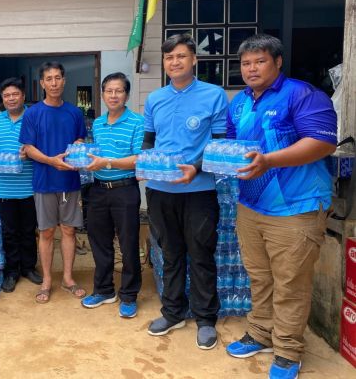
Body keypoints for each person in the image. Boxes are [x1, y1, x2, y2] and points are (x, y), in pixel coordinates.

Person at [224, 34, 337, 379]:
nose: (251, 68)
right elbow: (233, 147)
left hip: (296, 207)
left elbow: (322, 143)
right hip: (251, 204)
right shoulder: (240, 102)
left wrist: (269, 160)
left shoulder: (302, 95)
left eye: (260, 61)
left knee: (291, 283)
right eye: (246, 63)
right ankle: (260, 333)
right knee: (259, 276)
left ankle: (287, 351)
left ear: (277, 62)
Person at [143, 34, 228, 350]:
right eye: (169, 57)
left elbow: (219, 145)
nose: (174, 62)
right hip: (159, 190)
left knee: (201, 253)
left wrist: (196, 167)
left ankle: (205, 319)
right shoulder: (155, 98)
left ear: (194, 59)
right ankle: (173, 312)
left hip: (198, 189)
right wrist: (146, 164)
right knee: (170, 253)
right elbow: (149, 141)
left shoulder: (213, 95)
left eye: (180, 56)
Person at [19, 61, 87, 303]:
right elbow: (28, 147)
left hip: (70, 180)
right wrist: (51, 161)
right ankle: (47, 280)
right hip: (44, 181)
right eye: (49, 79)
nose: (54, 83)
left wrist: (78, 145)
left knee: (69, 230)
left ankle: (68, 278)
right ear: (42, 83)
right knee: (46, 232)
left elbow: (80, 138)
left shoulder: (74, 112)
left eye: (58, 78)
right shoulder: (33, 113)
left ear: (64, 81)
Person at [81, 73, 144, 318]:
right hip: (98, 190)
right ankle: (104, 290)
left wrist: (106, 163)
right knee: (99, 242)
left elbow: (138, 159)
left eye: (119, 91)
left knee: (128, 244)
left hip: (124, 189)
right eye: (109, 91)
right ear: (103, 94)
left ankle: (129, 295)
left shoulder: (137, 122)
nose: (113, 95)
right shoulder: (98, 123)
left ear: (126, 95)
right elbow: (95, 155)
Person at [0, 77, 42, 293]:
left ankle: (29, 267)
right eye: (7, 95)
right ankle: (12, 271)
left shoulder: (34, 117)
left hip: (30, 186)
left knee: (29, 230)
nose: (11, 98)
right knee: (9, 231)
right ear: (2, 98)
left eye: (15, 94)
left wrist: (30, 153)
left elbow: (44, 148)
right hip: (4, 187)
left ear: (23, 96)